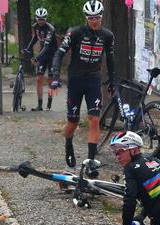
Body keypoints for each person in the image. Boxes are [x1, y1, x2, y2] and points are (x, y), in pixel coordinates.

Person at [51, 0, 115, 175]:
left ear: (101, 17)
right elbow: (59, 53)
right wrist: (55, 76)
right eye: (91, 17)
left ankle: (91, 160)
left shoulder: (107, 35)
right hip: (76, 80)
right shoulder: (75, 32)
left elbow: (110, 59)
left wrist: (112, 80)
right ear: (86, 18)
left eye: (97, 17)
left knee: (94, 119)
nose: (94, 21)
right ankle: (68, 143)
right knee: (73, 122)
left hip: (93, 80)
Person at [21, 7, 58, 111]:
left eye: (43, 19)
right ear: (36, 18)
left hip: (52, 54)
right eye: (39, 19)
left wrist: (36, 58)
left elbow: (46, 47)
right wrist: (27, 49)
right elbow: (35, 38)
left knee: (50, 80)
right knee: (39, 79)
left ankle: (49, 104)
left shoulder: (50, 29)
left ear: (46, 18)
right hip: (43, 54)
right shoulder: (36, 26)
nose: (41, 21)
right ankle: (40, 105)